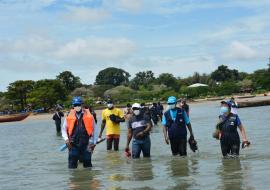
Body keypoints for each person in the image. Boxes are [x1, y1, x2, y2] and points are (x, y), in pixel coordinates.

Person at [62, 96, 98, 168]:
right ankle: (73, 179)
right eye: (75, 105)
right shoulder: (69, 116)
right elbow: (64, 129)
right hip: (73, 144)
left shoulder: (90, 116)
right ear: (73, 106)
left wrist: (94, 142)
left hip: (87, 144)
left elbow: (95, 129)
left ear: (81, 105)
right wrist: (66, 139)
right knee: (72, 165)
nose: (77, 106)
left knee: (88, 165)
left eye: (78, 105)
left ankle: (87, 179)